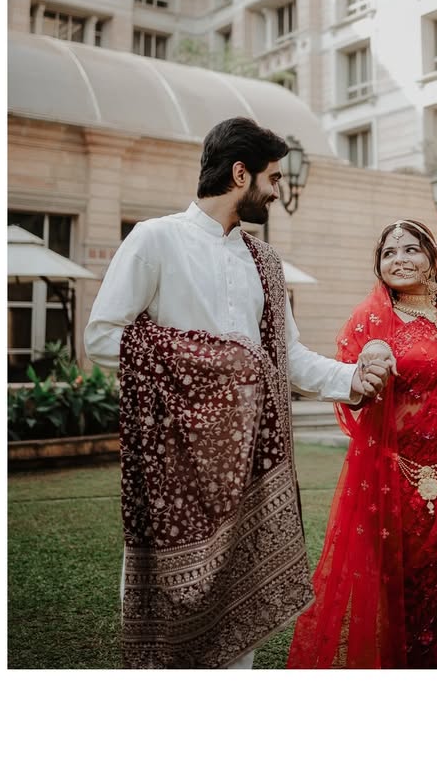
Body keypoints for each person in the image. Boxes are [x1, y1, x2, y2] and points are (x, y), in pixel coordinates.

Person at [84, 117, 392, 670]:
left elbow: (285, 356)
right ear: (240, 173)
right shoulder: (155, 239)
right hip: (176, 459)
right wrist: (220, 363)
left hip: (251, 455)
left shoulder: (264, 261)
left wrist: (352, 380)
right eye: (272, 178)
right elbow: (104, 337)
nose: (276, 191)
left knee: (240, 611)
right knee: (169, 616)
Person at [286, 218, 437, 668]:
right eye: (388, 253)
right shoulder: (371, 318)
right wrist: (370, 361)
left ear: (432, 259)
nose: (399, 260)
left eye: (410, 249)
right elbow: (353, 391)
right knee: (404, 593)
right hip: (392, 482)